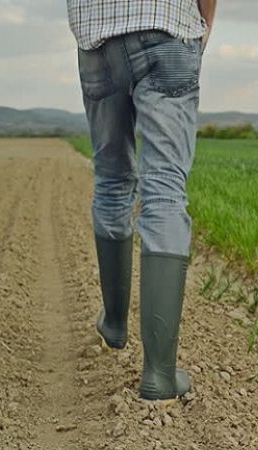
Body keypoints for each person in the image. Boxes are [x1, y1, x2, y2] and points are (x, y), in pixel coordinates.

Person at [66, 0, 217, 401]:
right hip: (167, 26)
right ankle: (158, 374)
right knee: (164, 189)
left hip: (96, 36)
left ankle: (114, 324)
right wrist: (204, 23)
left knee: (113, 179)